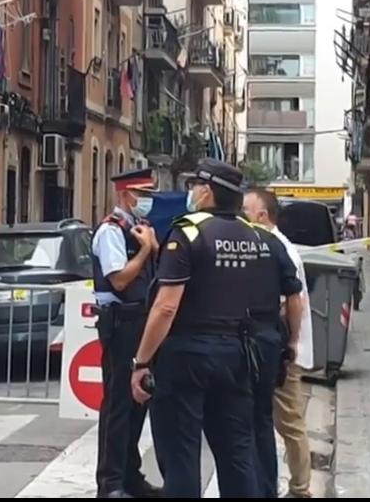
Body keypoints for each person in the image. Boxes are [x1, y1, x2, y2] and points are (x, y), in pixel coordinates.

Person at [131, 159, 304, 498]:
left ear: (207, 191)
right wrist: (290, 342)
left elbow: (166, 307)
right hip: (238, 355)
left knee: (182, 455)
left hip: (187, 355)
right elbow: (287, 293)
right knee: (237, 453)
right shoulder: (258, 236)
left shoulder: (189, 232)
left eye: (195, 186)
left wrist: (142, 361)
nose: (192, 192)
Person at [92, 168, 163, 499]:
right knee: (119, 405)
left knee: (139, 402)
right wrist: (146, 250)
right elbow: (119, 280)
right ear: (124, 195)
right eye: (141, 195)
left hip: (141, 320)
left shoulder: (141, 228)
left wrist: (154, 248)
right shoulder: (111, 231)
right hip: (121, 323)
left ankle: (131, 476)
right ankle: (110, 483)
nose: (146, 201)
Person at [244, 188, 314, 499]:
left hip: (282, 351)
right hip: (274, 348)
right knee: (269, 419)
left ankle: (300, 488)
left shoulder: (279, 249)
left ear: (262, 216)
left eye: (246, 210)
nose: (241, 216)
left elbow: (293, 302)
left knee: (288, 421)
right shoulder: (267, 245)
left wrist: (290, 344)